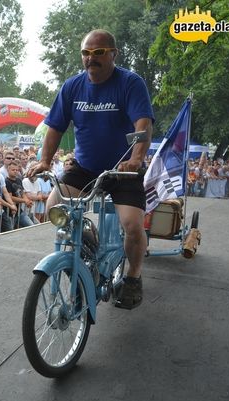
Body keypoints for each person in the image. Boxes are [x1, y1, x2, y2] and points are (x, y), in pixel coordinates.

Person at [29, 29, 154, 310]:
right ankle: (88, 238)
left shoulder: (130, 83)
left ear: (113, 54)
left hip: (123, 170)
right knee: (54, 206)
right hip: (85, 168)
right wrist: (45, 162)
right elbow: (55, 127)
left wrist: (135, 159)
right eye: (86, 53)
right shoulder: (72, 87)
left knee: (133, 226)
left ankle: (133, 277)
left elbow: (143, 124)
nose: (91, 58)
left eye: (98, 53)